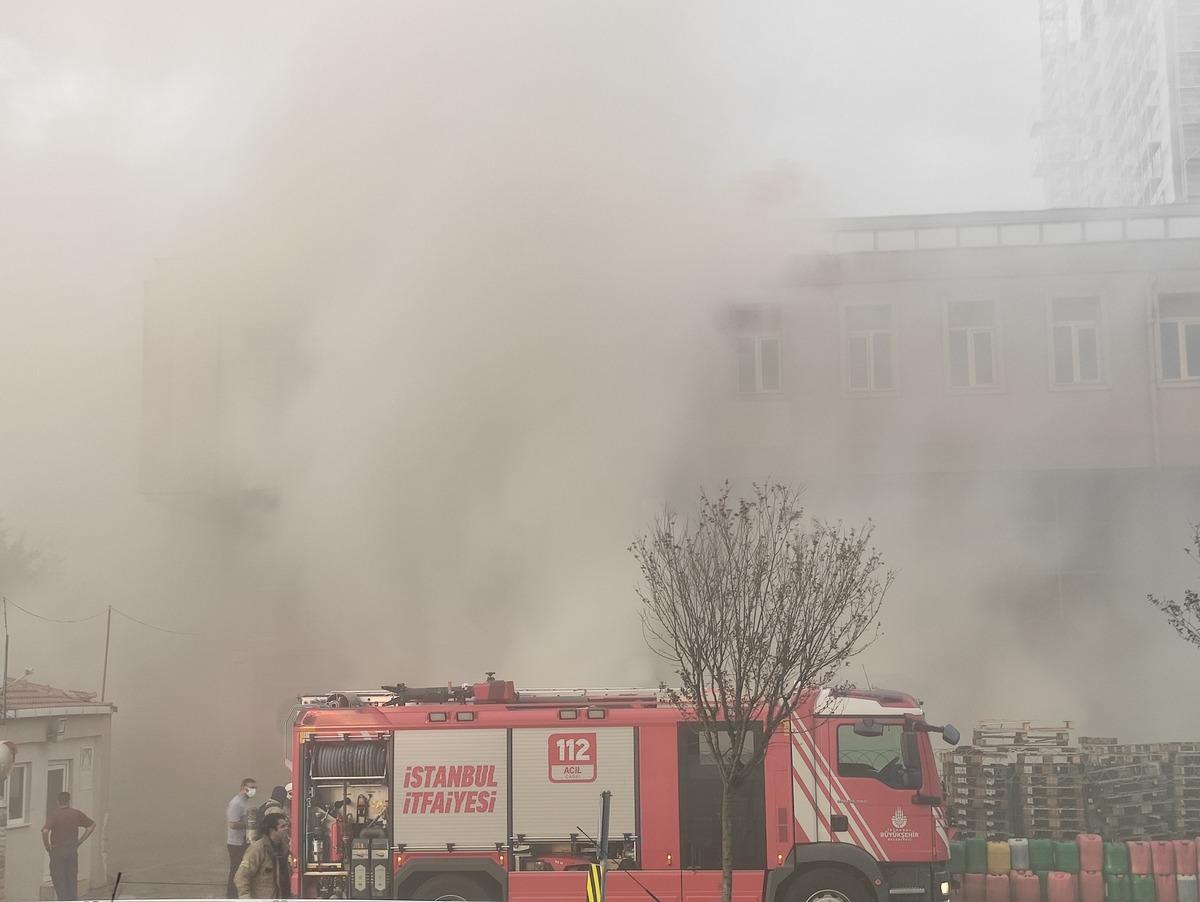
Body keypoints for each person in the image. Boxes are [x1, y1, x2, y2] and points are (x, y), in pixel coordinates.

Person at [41, 791, 95, 902]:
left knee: (58, 878)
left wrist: (47, 846)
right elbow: (91, 825)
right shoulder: (76, 813)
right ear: (69, 801)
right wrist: (80, 841)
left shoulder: (54, 815)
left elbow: (45, 831)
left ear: (58, 801)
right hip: (71, 850)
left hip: (57, 851)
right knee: (71, 878)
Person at [234, 811, 291, 899]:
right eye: (282, 826)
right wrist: (245, 898)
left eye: (287, 825)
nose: (286, 828)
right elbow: (241, 877)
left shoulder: (286, 848)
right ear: (271, 830)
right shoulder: (257, 849)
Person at [226, 777, 258, 898]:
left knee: (242, 870)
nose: (254, 790)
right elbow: (232, 824)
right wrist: (250, 824)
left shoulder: (245, 802)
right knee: (235, 871)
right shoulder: (236, 803)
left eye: (255, 788)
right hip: (236, 843)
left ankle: (238, 894)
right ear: (243, 787)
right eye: (251, 787)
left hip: (243, 842)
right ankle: (231, 896)